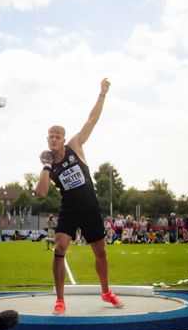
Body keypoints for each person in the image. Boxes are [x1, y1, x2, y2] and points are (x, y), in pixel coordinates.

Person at [35, 78, 124, 315]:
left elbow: (92, 120)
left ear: (63, 139)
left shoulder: (75, 145)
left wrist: (102, 93)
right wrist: (45, 166)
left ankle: (105, 291)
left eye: (57, 136)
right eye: (50, 136)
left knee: (101, 252)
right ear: (47, 140)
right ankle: (60, 299)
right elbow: (41, 193)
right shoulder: (48, 163)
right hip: (69, 209)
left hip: (90, 207)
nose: (53, 139)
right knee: (58, 249)